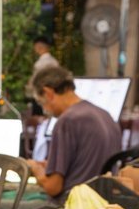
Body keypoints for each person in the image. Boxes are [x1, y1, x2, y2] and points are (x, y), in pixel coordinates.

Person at [27, 65, 122, 201]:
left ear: (48, 93)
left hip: (71, 206)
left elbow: (53, 187)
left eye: (42, 103)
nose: (45, 110)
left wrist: (35, 169)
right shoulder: (105, 115)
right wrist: (51, 166)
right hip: (102, 202)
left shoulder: (67, 121)